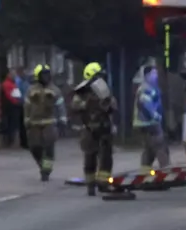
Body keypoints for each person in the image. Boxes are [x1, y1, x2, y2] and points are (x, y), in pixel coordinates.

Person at [70, 62, 117, 196]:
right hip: (89, 129)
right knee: (90, 157)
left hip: (104, 129)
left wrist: (106, 103)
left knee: (106, 158)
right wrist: (88, 103)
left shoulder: (105, 92)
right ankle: (90, 185)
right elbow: (75, 106)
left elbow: (113, 106)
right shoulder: (82, 93)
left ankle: (104, 183)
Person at [23, 64, 64, 182]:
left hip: (49, 122)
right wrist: (26, 119)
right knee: (34, 147)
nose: (46, 77)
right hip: (34, 123)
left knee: (49, 148)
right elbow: (26, 106)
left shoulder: (55, 90)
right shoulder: (31, 90)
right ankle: (41, 164)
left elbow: (60, 106)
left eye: (47, 74)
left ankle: (46, 170)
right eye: (43, 75)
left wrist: (62, 120)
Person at [134, 65, 171, 173]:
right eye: (153, 74)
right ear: (146, 76)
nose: (155, 76)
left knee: (149, 149)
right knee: (161, 146)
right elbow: (146, 105)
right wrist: (156, 116)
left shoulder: (151, 88)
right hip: (150, 123)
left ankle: (145, 173)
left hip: (147, 123)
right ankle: (166, 172)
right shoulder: (146, 89)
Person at [1, 69, 23, 147]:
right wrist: (16, 102)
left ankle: (12, 140)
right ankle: (10, 141)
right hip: (12, 106)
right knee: (12, 123)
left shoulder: (12, 83)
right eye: (13, 75)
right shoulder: (7, 84)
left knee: (14, 123)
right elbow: (8, 95)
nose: (15, 76)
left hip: (15, 105)